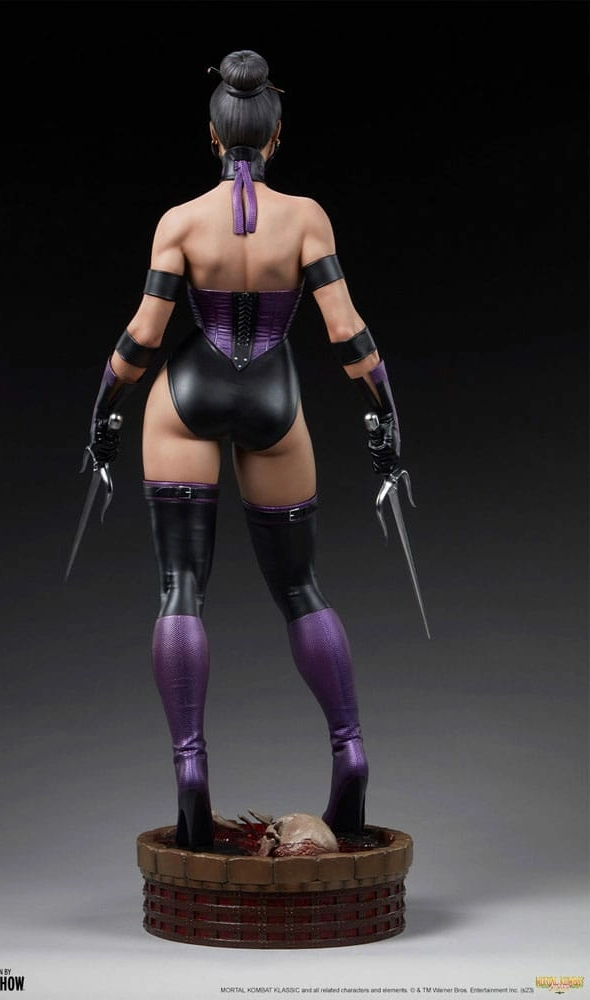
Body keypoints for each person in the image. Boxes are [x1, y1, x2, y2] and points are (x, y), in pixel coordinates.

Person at [84, 50, 402, 852]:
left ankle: (190, 769)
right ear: (276, 135)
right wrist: (384, 416)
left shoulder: (180, 222)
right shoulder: (307, 218)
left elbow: (144, 336)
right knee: (299, 586)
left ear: (211, 135)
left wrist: (104, 408)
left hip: (187, 393)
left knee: (180, 587)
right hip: (273, 397)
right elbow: (345, 333)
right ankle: (349, 748)